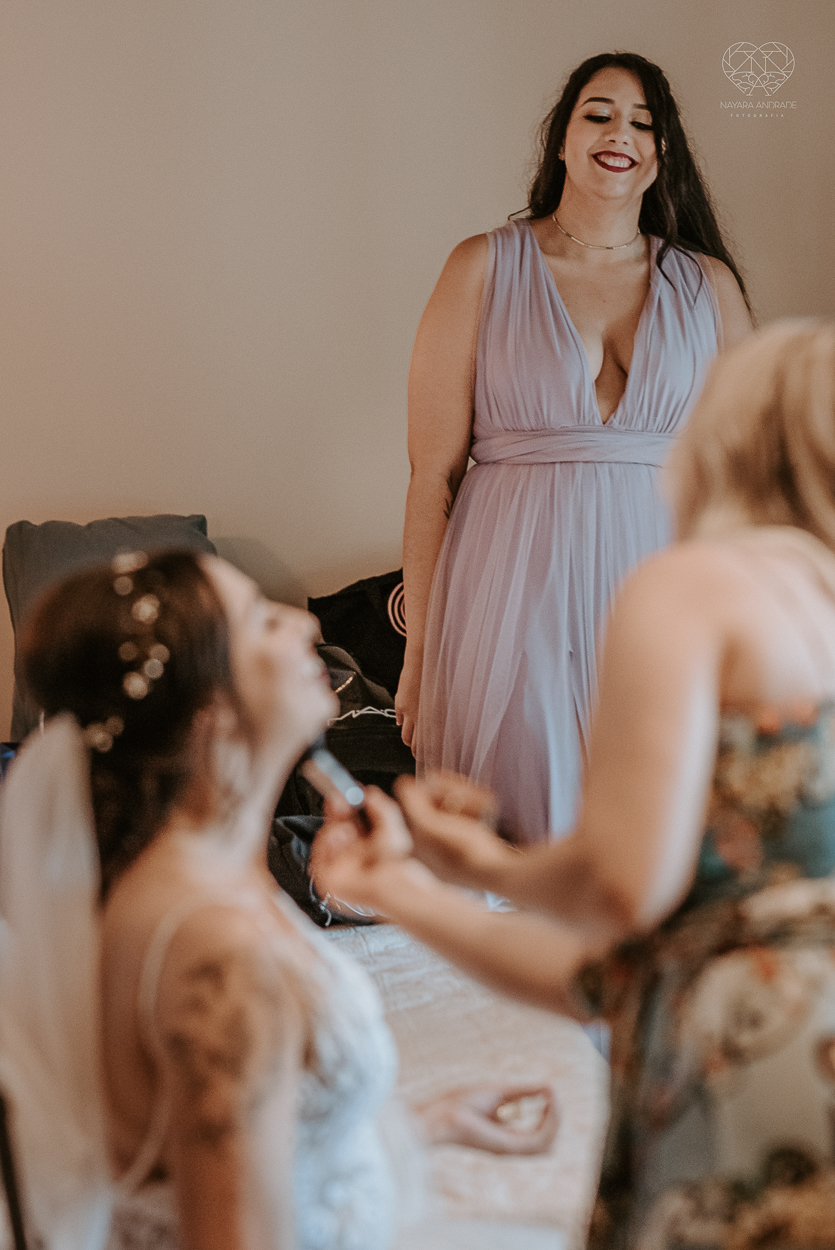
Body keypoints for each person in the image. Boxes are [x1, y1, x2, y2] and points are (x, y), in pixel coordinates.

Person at [315, 321, 835, 1247]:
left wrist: (432, 878)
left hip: (768, 1048)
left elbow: (617, 898)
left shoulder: (694, 588)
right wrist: (484, 867)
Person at [0, 551, 556, 1250]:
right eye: (261, 619)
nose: (301, 621)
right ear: (208, 710)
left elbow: (234, 1159)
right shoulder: (213, 951)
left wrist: (428, 1123)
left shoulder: (204, 874)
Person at [396, 51, 752, 842]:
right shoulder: (482, 266)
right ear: (560, 139)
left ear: (662, 154)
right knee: (523, 837)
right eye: (598, 113)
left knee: (657, 842)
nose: (619, 133)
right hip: (509, 585)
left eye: (643, 122)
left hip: (663, 589)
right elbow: (431, 477)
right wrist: (420, 655)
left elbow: (747, 479)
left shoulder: (707, 285)